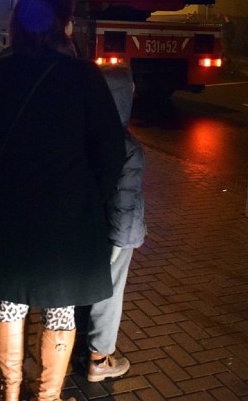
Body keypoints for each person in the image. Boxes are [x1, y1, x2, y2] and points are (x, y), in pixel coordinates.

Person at [0, 0, 126, 401]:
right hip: (69, 211)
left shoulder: (1, 72)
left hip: (12, 206)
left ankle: (10, 392)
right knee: (60, 308)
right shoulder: (83, 76)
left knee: (12, 300)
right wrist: (90, 191)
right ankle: (47, 396)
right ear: (63, 25)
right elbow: (111, 149)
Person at [83, 65, 145, 383]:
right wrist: (121, 242)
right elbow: (124, 198)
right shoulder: (126, 146)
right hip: (118, 233)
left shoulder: (87, 137)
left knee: (91, 287)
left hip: (91, 228)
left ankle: (87, 346)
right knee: (110, 293)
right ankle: (100, 357)